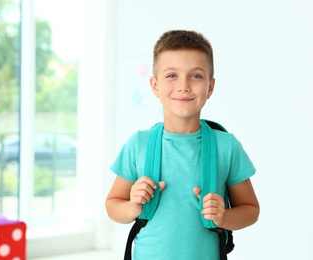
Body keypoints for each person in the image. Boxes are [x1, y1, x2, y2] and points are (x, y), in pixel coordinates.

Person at [105, 30, 260, 259]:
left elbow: (251, 210)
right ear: (155, 86)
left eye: (196, 76)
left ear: (210, 87)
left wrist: (224, 216)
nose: (184, 86)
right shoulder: (138, 144)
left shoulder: (227, 146)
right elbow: (112, 205)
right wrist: (132, 206)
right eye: (171, 76)